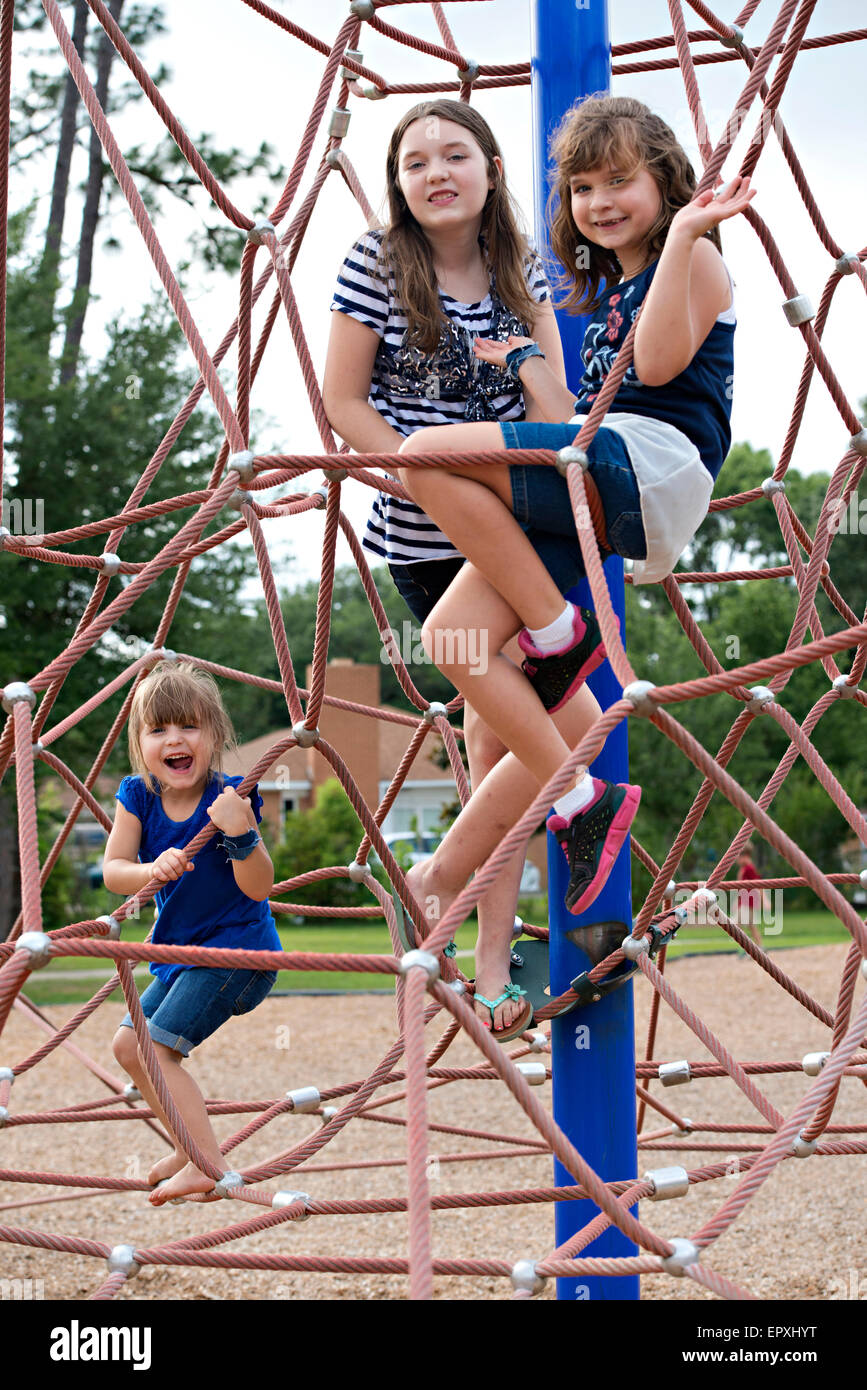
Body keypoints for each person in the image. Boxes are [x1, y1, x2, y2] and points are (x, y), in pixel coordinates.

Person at [395, 95, 755, 1017]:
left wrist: (682, 237)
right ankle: (565, 804)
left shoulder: (697, 258)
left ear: (665, 180)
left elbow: (666, 363)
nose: (599, 201)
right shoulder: (596, 294)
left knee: (424, 455)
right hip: (590, 468)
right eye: (583, 186)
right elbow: (570, 406)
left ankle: (559, 635)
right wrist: (519, 359)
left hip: (648, 467)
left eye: (619, 180)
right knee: (455, 641)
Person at [323, 100, 604, 1041]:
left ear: (489, 169)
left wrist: (520, 355)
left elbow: (556, 408)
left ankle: (449, 902)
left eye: (455, 154)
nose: (436, 172)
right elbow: (341, 400)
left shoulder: (528, 271)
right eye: (414, 162)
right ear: (397, 186)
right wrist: (418, 469)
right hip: (425, 531)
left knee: (507, 746)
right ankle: (480, 940)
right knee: (501, 744)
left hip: (514, 522)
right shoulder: (375, 264)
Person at [104, 661, 280, 1205]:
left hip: (237, 955)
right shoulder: (137, 796)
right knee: (128, 1046)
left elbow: (259, 886)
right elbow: (114, 871)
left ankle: (207, 1162)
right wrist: (149, 870)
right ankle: (187, 1146)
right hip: (182, 955)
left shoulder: (230, 798)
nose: (174, 740)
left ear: (216, 735)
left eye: (189, 726)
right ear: (140, 742)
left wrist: (241, 833)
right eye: (158, 729)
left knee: (157, 1049)